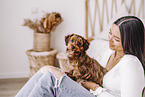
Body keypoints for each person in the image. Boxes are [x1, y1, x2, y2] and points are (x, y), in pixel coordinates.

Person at [15, 16, 145, 97]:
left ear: (130, 41)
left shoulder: (131, 64)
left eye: (116, 38)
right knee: (47, 69)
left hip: (96, 93)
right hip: (91, 91)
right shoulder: (110, 54)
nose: (109, 40)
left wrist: (95, 88)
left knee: (51, 78)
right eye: (110, 33)